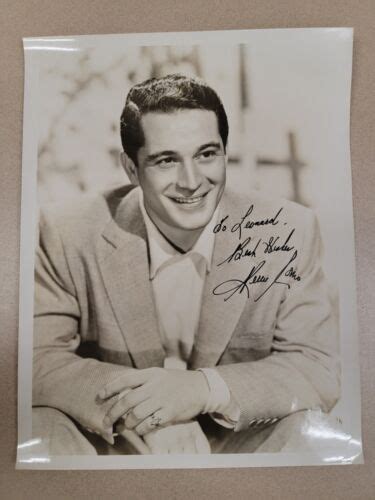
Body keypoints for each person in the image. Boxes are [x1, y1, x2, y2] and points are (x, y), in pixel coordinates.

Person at [32, 74, 339, 456]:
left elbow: (315, 367)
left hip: (241, 442)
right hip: (117, 445)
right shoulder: (67, 232)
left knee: (314, 433)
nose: (192, 181)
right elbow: (35, 360)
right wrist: (152, 412)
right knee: (40, 428)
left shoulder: (288, 231)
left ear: (225, 153)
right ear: (131, 168)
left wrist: (201, 390)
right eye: (166, 160)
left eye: (206, 154)